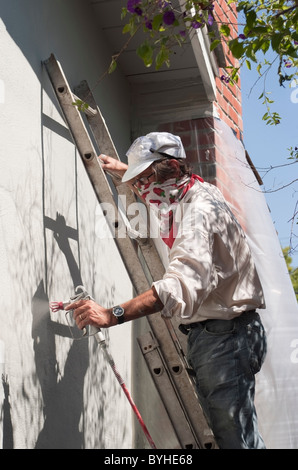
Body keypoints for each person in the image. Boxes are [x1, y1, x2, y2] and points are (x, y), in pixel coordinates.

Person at [66, 132, 267, 449]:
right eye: (140, 180)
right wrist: (124, 171)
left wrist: (111, 314)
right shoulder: (187, 191)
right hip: (222, 334)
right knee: (236, 437)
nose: (143, 189)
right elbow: (155, 195)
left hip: (225, 339)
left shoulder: (198, 213)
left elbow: (179, 285)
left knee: (234, 442)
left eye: (146, 178)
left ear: (172, 167)